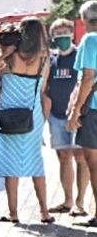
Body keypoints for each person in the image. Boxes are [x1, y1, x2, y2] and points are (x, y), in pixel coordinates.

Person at [0, 17, 52, 225]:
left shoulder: (10, 58)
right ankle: (44, 212)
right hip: (32, 117)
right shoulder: (44, 57)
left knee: (10, 166)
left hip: (8, 115)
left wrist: (5, 54)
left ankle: (13, 213)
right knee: (36, 163)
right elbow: (42, 89)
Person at [45, 18, 90, 215]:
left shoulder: (80, 56)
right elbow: (45, 86)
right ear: (52, 37)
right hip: (56, 116)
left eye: (65, 31)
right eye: (57, 32)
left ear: (72, 33)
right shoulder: (52, 60)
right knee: (63, 157)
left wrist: (78, 109)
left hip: (79, 115)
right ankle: (67, 201)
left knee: (81, 157)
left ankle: (80, 203)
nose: (61, 36)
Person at [68, 1, 97, 228]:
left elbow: (87, 78)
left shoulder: (90, 40)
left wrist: (76, 110)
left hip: (94, 108)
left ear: (86, 20)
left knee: (93, 162)